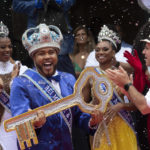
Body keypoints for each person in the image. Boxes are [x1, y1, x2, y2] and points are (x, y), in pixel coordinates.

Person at [10, 23, 102, 150]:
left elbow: (79, 114)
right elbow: (20, 125)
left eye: (51, 52)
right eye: (41, 53)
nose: (47, 56)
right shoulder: (21, 83)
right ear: (34, 57)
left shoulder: (68, 79)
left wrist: (92, 121)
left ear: (57, 55)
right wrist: (34, 124)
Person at [82, 24, 138, 150]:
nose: (100, 52)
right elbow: (82, 106)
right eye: (97, 50)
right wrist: (93, 106)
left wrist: (121, 105)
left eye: (105, 49)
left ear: (114, 52)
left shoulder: (122, 74)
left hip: (122, 126)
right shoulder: (90, 75)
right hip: (101, 127)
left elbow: (137, 104)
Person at [12, 0, 76, 76]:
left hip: (60, 32)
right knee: (40, 64)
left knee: (62, 65)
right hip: (36, 35)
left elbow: (70, 2)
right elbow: (16, 5)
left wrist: (58, 1)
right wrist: (37, 3)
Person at [0, 21, 28, 150]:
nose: (7, 50)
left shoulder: (20, 68)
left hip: (18, 121)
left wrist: (13, 82)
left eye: (9, 47)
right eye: (3, 47)